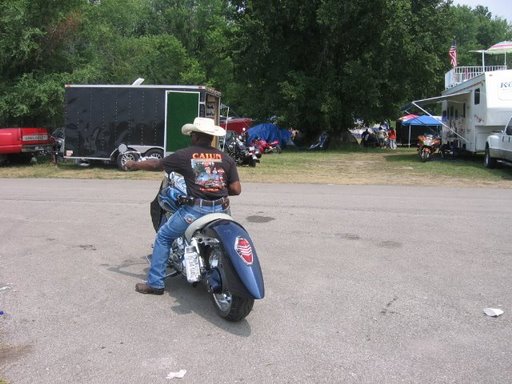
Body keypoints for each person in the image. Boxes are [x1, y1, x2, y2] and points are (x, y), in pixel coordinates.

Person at [125, 117, 241, 295]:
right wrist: (216, 191)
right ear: (211, 137)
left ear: (194, 136)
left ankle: (155, 284)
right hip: (221, 209)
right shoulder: (226, 158)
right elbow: (236, 189)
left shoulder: (185, 155)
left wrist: (134, 164)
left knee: (164, 236)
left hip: (196, 210)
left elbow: (157, 164)